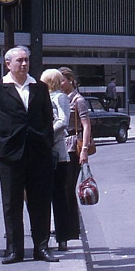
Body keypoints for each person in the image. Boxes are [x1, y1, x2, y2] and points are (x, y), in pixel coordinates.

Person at [0, 46, 57, 264]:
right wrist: (0, 141)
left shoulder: (40, 88)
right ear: (8, 64)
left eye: (26, 60)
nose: (24, 64)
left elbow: (47, 119)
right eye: (19, 61)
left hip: (38, 153)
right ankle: (14, 249)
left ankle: (41, 247)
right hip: (10, 153)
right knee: (12, 203)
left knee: (40, 202)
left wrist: (46, 142)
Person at [57, 67, 91, 251]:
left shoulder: (78, 101)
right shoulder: (61, 99)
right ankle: (68, 227)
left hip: (73, 145)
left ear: (70, 80)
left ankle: (73, 228)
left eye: (62, 80)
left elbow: (86, 126)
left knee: (69, 187)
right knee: (63, 188)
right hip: (61, 145)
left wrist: (84, 149)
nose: (60, 84)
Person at [41, 70, 74, 252]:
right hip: (45, 151)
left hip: (57, 153)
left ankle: (62, 236)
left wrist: (46, 133)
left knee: (58, 196)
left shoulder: (59, 97)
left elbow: (63, 121)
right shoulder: (44, 97)